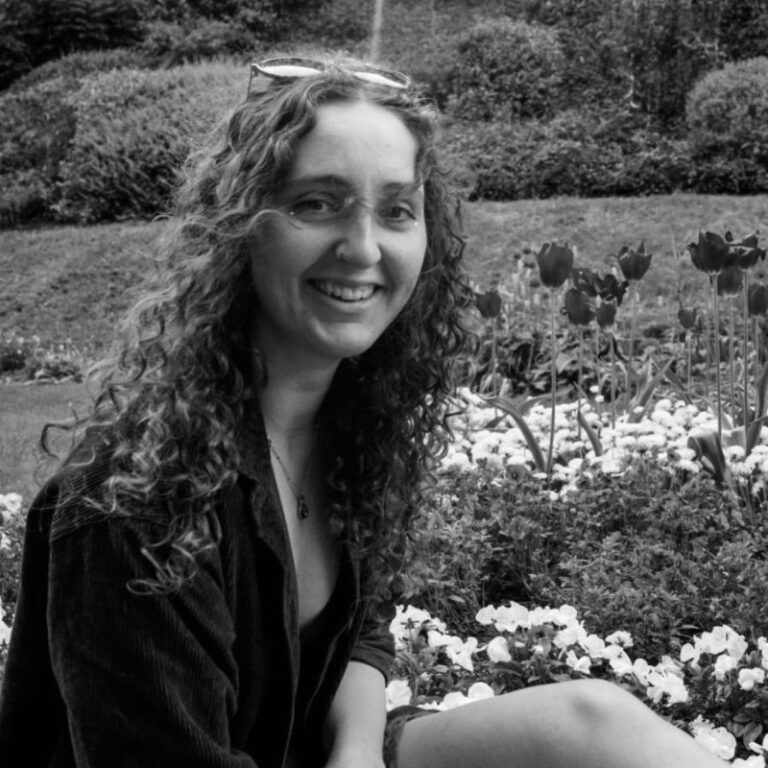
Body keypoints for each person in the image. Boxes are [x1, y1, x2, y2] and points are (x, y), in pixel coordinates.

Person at [0, 55, 727, 768]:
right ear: (239, 226)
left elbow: (362, 633)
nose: (363, 247)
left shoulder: (356, 424)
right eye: (317, 203)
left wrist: (355, 752)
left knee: (593, 724)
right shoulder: (135, 497)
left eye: (396, 210)